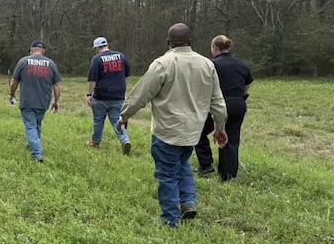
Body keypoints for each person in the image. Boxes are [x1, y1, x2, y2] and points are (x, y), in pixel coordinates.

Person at [116, 23, 228, 228]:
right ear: (190, 42)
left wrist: (124, 116)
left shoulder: (162, 64)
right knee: (182, 164)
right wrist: (220, 128)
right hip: (192, 132)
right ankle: (188, 201)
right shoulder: (206, 64)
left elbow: (141, 95)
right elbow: (218, 101)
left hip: (166, 131)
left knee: (167, 174)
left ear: (168, 43)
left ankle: (170, 220)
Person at [195, 35, 253, 181]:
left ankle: (206, 164)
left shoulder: (211, 65)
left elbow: (204, 86)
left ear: (214, 47)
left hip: (217, 105)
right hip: (238, 104)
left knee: (198, 132)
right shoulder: (242, 64)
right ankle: (228, 174)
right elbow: (247, 85)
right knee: (232, 138)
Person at [9, 40, 61, 163]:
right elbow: (57, 85)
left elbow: (14, 81)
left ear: (31, 50)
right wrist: (57, 101)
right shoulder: (51, 64)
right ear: (43, 51)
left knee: (30, 126)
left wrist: (12, 94)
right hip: (44, 102)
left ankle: (37, 153)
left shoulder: (23, 62)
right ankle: (31, 144)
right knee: (37, 124)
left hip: (27, 101)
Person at [85, 37, 132, 154]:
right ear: (107, 44)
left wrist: (89, 94)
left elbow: (92, 80)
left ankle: (95, 142)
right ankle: (125, 140)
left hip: (101, 95)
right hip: (118, 96)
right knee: (117, 120)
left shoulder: (97, 59)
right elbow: (126, 76)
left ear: (96, 48)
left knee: (98, 120)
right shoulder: (121, 56)